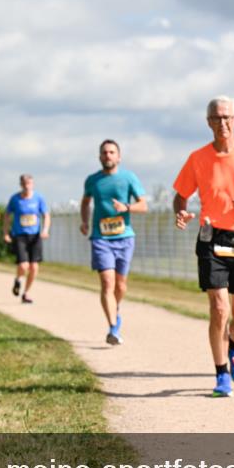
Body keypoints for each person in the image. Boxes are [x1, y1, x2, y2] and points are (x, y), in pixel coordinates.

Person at [173, 96, 234, 397]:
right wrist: (181, 210)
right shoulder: (198, 158)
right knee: (218, 309)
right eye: (217, 118)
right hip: (211, 238)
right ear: (208, 122)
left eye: (228, 117)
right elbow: (180, 194)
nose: (223, 123)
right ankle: (221, 374)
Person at [81, 139, 148, 345]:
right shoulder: (92, 180)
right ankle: (113, 328)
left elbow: (143, 205)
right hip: (101, 238)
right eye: (104, 153)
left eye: (111, 152)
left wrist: (126, 208)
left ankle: (115, 310)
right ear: (99, 157)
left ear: (118, 157)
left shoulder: (128, 178)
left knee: (120, 285)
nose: (108, 156)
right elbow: (85, 202)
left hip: (124, 237)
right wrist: (84, 221)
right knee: (107, 282)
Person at [3, 174, 51, 304]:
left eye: (29, 183)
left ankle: (26, 293)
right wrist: (6, 233)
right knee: (24, 265)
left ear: (32, 184)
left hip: (35, 236)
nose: (26, 186)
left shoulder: (38, 198)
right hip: (20, 235)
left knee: (34, 267)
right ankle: (18, 279)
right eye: (24, 183)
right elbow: (7, 215)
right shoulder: (15, 199)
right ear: (21, 184)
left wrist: (45, 230)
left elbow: (46, 215)